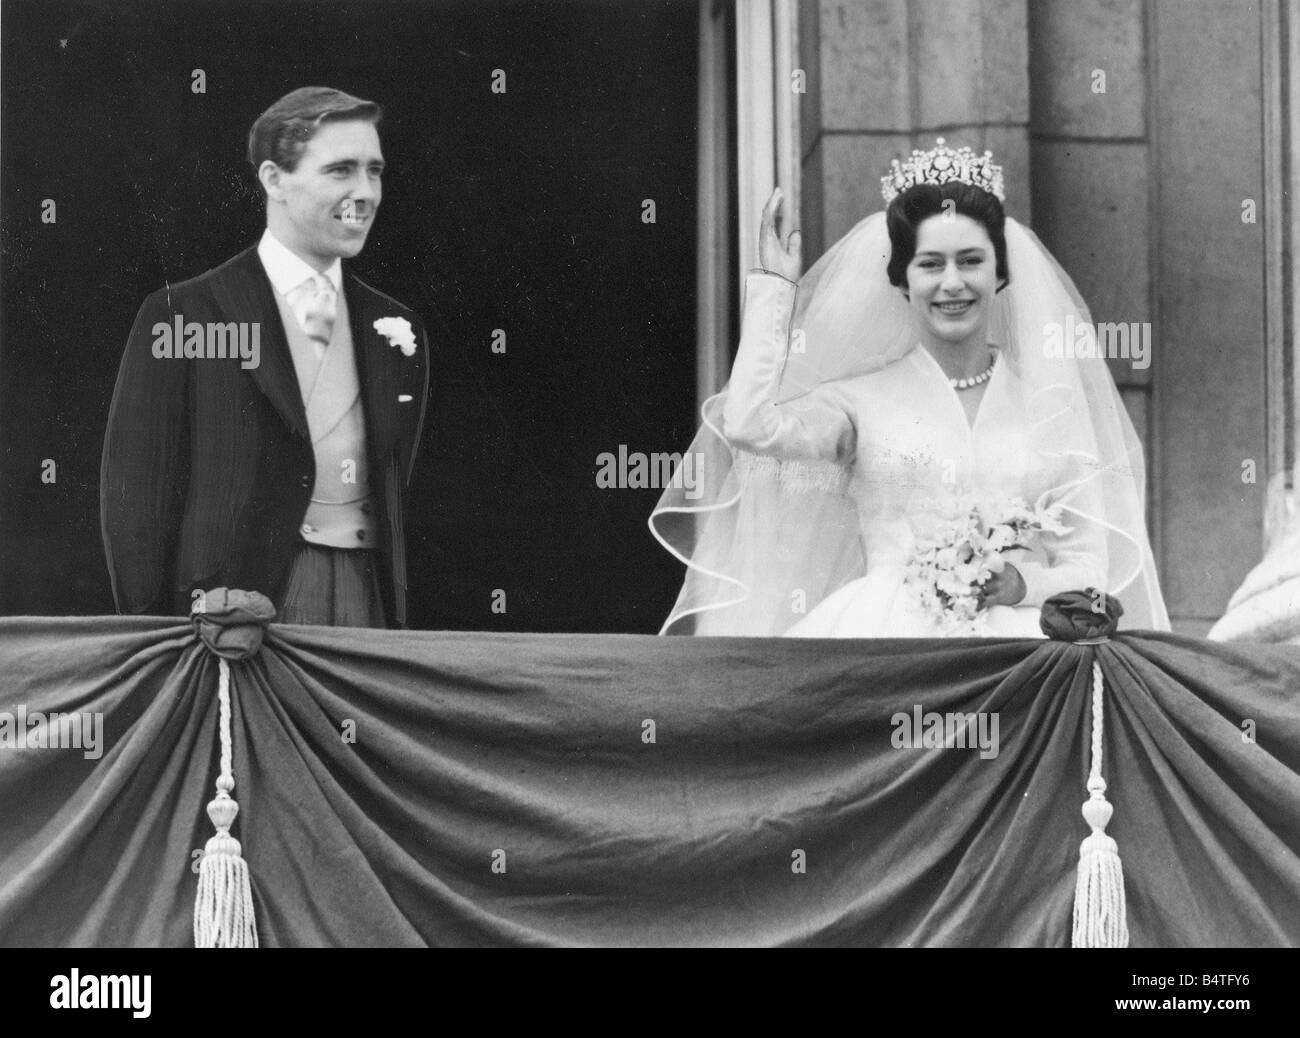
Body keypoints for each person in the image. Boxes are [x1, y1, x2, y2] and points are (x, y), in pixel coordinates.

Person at [651, 139, 1169, 637]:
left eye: (970, 261)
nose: (952, 283)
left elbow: (1090, 569)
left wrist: (1020, 584)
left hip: (1019, 647)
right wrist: (773, 292)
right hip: (883, 634)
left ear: (1000, 274)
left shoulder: (1049, 409)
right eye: (930, 264)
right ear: (902, 280)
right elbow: (748, 425)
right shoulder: (859, 402)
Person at [100, 87, 431, 628]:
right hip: (232, 613)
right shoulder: (186, 312)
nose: (366, 192)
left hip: (369, 604)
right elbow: (136, 495)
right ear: (274, 179)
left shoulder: (395, 329)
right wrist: (156, 636)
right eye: (341, 170)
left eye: (375, 171)